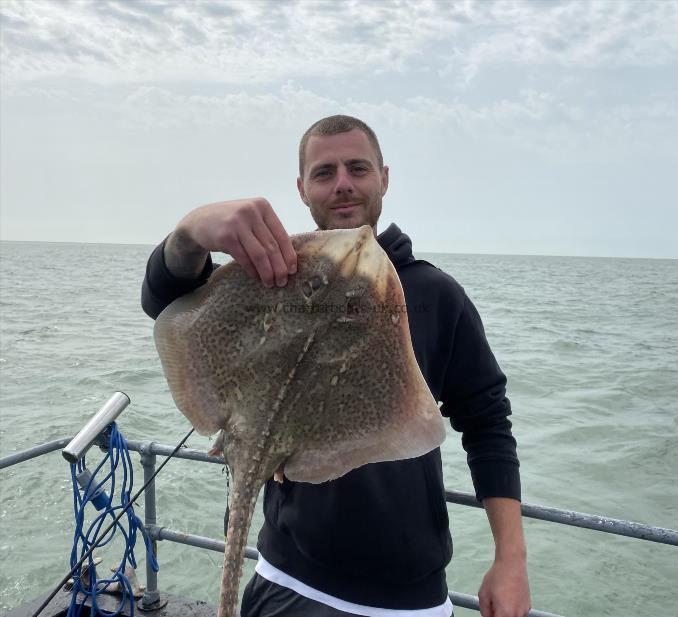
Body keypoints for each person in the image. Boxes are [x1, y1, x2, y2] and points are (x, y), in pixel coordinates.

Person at [142, 115, 531, 617]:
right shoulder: (272, 276)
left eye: (357, 168)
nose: (343, 183)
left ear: (383, 178)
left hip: (408, 599)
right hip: (285, 578)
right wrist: (191, 231)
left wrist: (511, 559)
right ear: (302, 190)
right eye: (325, 173)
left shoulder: (435, 295)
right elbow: (166, 300)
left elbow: (487, 421)